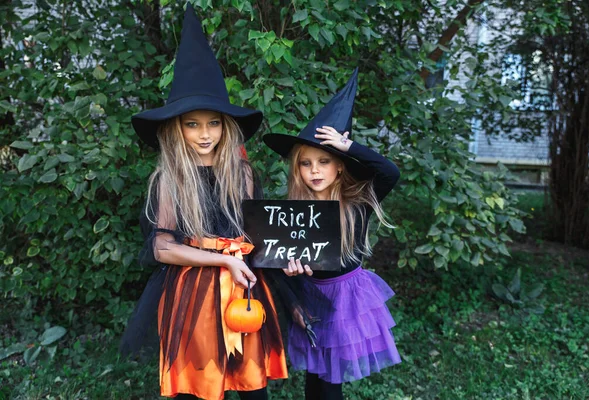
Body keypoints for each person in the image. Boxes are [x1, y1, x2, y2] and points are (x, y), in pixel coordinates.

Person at [121, 4, 287, 400]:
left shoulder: (242, 173)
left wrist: (288, 258)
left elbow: (255, 236)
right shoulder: (168, 179)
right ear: (177, 129)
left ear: (226, 125)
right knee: (199, 384)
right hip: (193, 293)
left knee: (250, 385)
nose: (204, 134)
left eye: (213, 122)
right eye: (192, 124)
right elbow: (163, 248)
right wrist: (223, 260)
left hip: (242, 289)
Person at [263, 68, 402, 400]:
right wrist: (291, 286)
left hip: (344, 300)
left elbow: (390, 172)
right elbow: (273, 261)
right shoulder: (293, 210)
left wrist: (347, 144)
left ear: (340, 165)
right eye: (305, 163)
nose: (314, 171)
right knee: (315, 378)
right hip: (309, 295)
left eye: (324, 161)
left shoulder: (357, 203)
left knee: (329, 384)